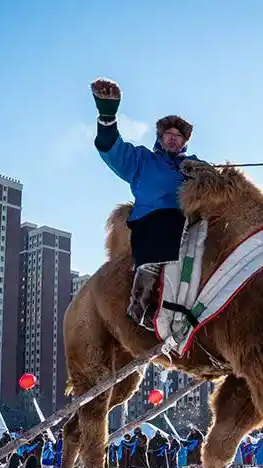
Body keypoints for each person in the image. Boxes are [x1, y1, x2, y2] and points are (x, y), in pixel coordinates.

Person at [91, 77, 201, 329]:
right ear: (160, 138)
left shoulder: (193, 165)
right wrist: (107, 115)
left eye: (178, 136)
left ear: (185, 142)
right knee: (165, 222)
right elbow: (113, 150)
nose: (173, 139)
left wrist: (206, 173)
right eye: (168, 134)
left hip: (189, 222)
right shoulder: (142, 161)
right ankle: (143, 300)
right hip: (154, 222)